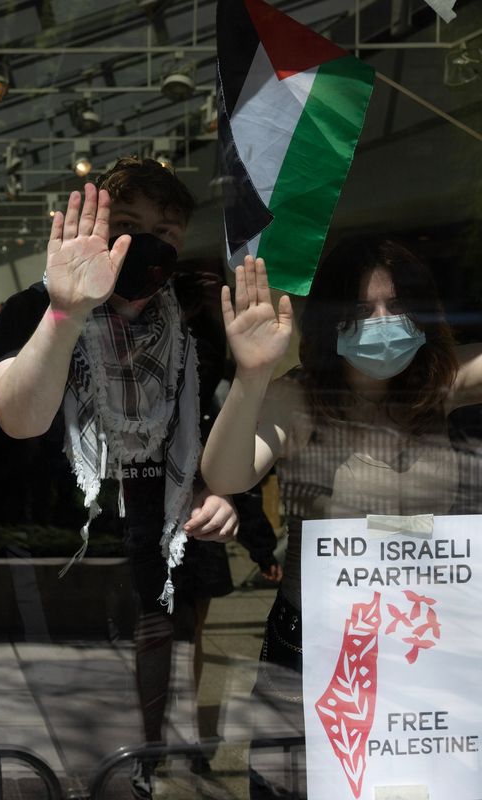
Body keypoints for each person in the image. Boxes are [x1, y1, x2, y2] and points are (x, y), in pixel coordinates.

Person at [0, 157, 239, 799]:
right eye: (127, 224)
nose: (148, 243)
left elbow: (212, 431)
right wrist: (67, 312)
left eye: (168, 232)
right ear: (93, 222)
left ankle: (148, 764)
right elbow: (17, 419)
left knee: (159, 650)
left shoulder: (193, 327)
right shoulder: (31, 309)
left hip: (164, 533)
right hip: (71, 542)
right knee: (68, 687)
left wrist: (216, 494)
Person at [200, 238, 482, 798]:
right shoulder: (298, 402)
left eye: (397, 308)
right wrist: (253, 376)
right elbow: (227, 475)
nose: (382, 323)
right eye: (361, 311)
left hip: (425, 645)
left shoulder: (438, 392)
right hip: (321, 654)